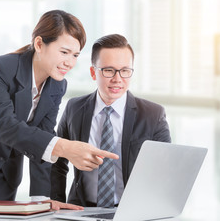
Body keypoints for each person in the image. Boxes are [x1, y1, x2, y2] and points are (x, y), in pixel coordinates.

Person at [0, 10, 118, 221]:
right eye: (64, 52)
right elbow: (4, 125)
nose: (70, 62)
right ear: (39, 44)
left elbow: (43, 137)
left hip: (5, 174)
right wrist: (66, 148)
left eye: (75, 55)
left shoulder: (58, 85)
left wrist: (40, 200)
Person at [50, 34, 171, 207]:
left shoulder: (153, 114)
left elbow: (164, 171)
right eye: (108, 70)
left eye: (125, 70)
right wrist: (57, 204)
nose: (117, 79)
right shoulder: (74, 108)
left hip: (132, 212)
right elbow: (58, 162)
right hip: (81, 210)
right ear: (93, 72)